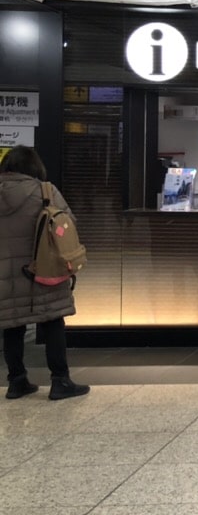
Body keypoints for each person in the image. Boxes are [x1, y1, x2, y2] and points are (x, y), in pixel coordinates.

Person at [0, 146, 90, 400]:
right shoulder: (45, 191)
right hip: (44, 267)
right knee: (52, 322)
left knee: (12, 326)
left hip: (5, 274)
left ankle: (17, 381)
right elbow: (68, 223)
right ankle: (60, 380)